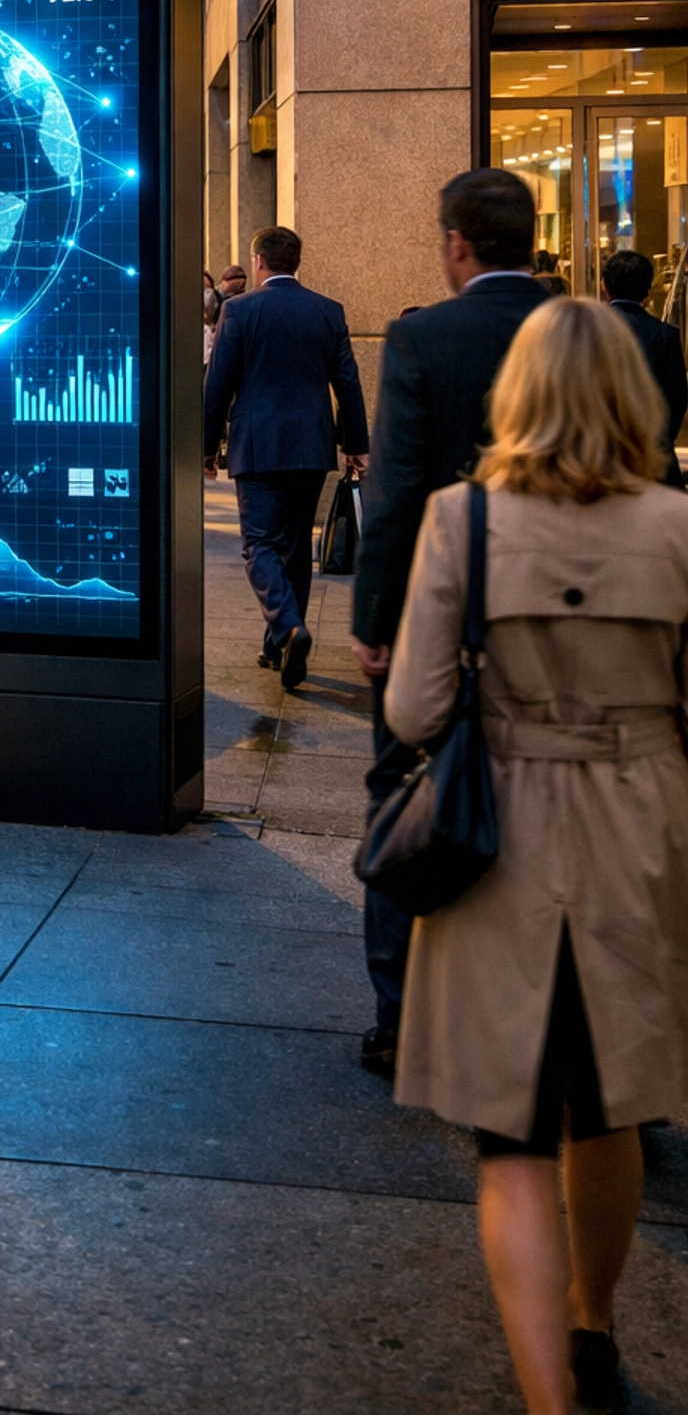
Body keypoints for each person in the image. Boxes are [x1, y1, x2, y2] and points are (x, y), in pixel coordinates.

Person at [385, 297, 688, 1415]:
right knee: (606, 1107)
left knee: (509, 1137)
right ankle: (594, 1324)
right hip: (641, 823)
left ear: (517, 393)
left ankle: (548, 1399)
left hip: (501, 829)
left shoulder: (463, 520)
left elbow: (417, 710)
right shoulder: (678, 524)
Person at [350, 167, 552, 1083]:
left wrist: (375, 621)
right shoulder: (584, 331)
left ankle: (401, 1018)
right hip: (560, 619)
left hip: (450, 609)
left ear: (456, 243)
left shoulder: (425, 336)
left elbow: (393, 493)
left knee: (408, 801)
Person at [203, 226, 368, 692]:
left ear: (258, 261)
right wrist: (356, 443)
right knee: (295, 545)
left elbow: (218, 385)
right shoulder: (327, 311)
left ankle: (289, 629)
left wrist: (207, 447)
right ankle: (277, 646)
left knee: (260, 544)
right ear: (297, 261)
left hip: (257, 447)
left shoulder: (238, 310)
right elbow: (348, 383)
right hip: (312, 446)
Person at [601, 247, 686, 488]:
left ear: (604, 284)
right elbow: (677, 398)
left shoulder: (588, 331)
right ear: (648, 288)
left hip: (601, 461)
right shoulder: (665, 335)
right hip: (655, 461)